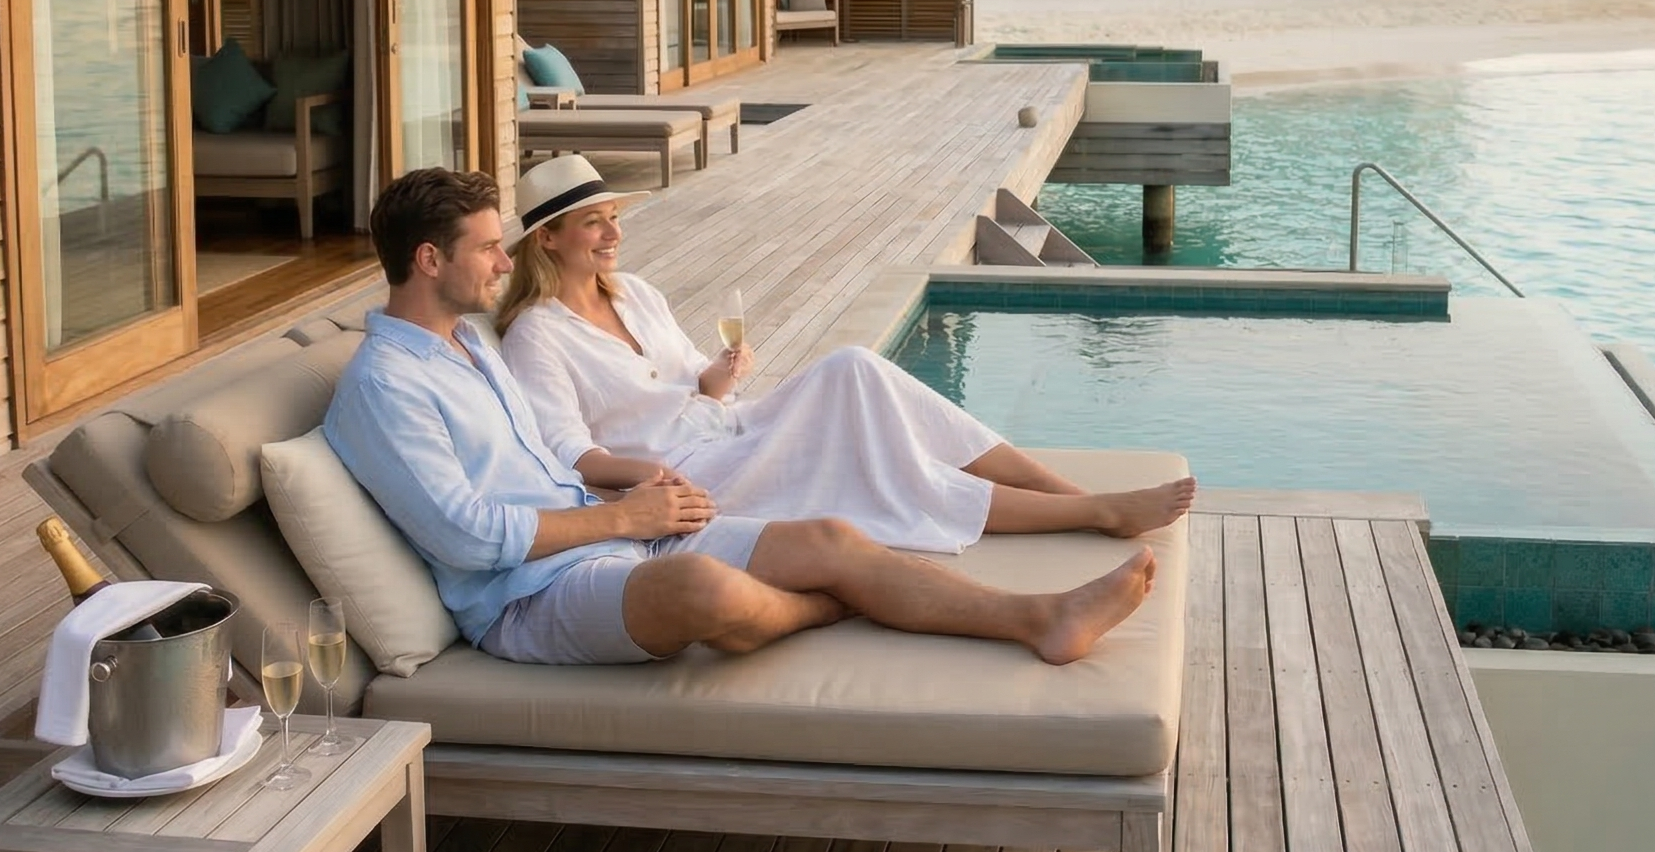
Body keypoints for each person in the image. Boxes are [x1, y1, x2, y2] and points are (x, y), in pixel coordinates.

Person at [323, 167, 1155, 667]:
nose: (505, 262)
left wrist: (635, 514)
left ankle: (1042, 618)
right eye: (487, 249)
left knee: (829, 535)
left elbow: (552, 454)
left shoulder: (468, 345)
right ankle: (825, 605)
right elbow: (467, 536)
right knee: (700, 585)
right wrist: (626, 511)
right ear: (430, 261)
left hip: (620, 528)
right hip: (530, 598)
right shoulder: (386, 387)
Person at [491, 155, 1196, 555]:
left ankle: (1073, 495)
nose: (612, 233)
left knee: (852, 365)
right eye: (593, 223)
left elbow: (694, 383)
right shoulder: (537, 335)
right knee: (878, 462)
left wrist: (720, 375)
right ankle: (1092, 514)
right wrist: (646, 468)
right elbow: (566, 452)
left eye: (613, 217)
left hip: (731, 430)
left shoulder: (635, 293)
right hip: (694, 477)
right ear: (547, 240)